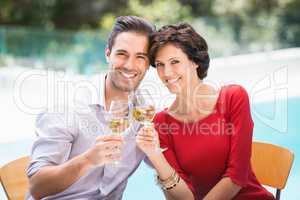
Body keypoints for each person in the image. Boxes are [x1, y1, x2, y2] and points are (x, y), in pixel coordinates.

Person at [136, 23, 276, 200]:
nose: (167, 72)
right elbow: (184, 196)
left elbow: (236, 177)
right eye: (160, 65)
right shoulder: (161, 122)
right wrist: (155, 155)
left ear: (194, 61)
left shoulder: (233, 97)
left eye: (175, 62)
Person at [26, 16, 155, 200]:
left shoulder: (144, 110)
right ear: (107, 54)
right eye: (122, 54)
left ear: (148, 63)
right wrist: (88, 160)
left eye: (140, 57)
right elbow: (37, 186)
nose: (129, 65)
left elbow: (165, 160)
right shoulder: (67, 106)